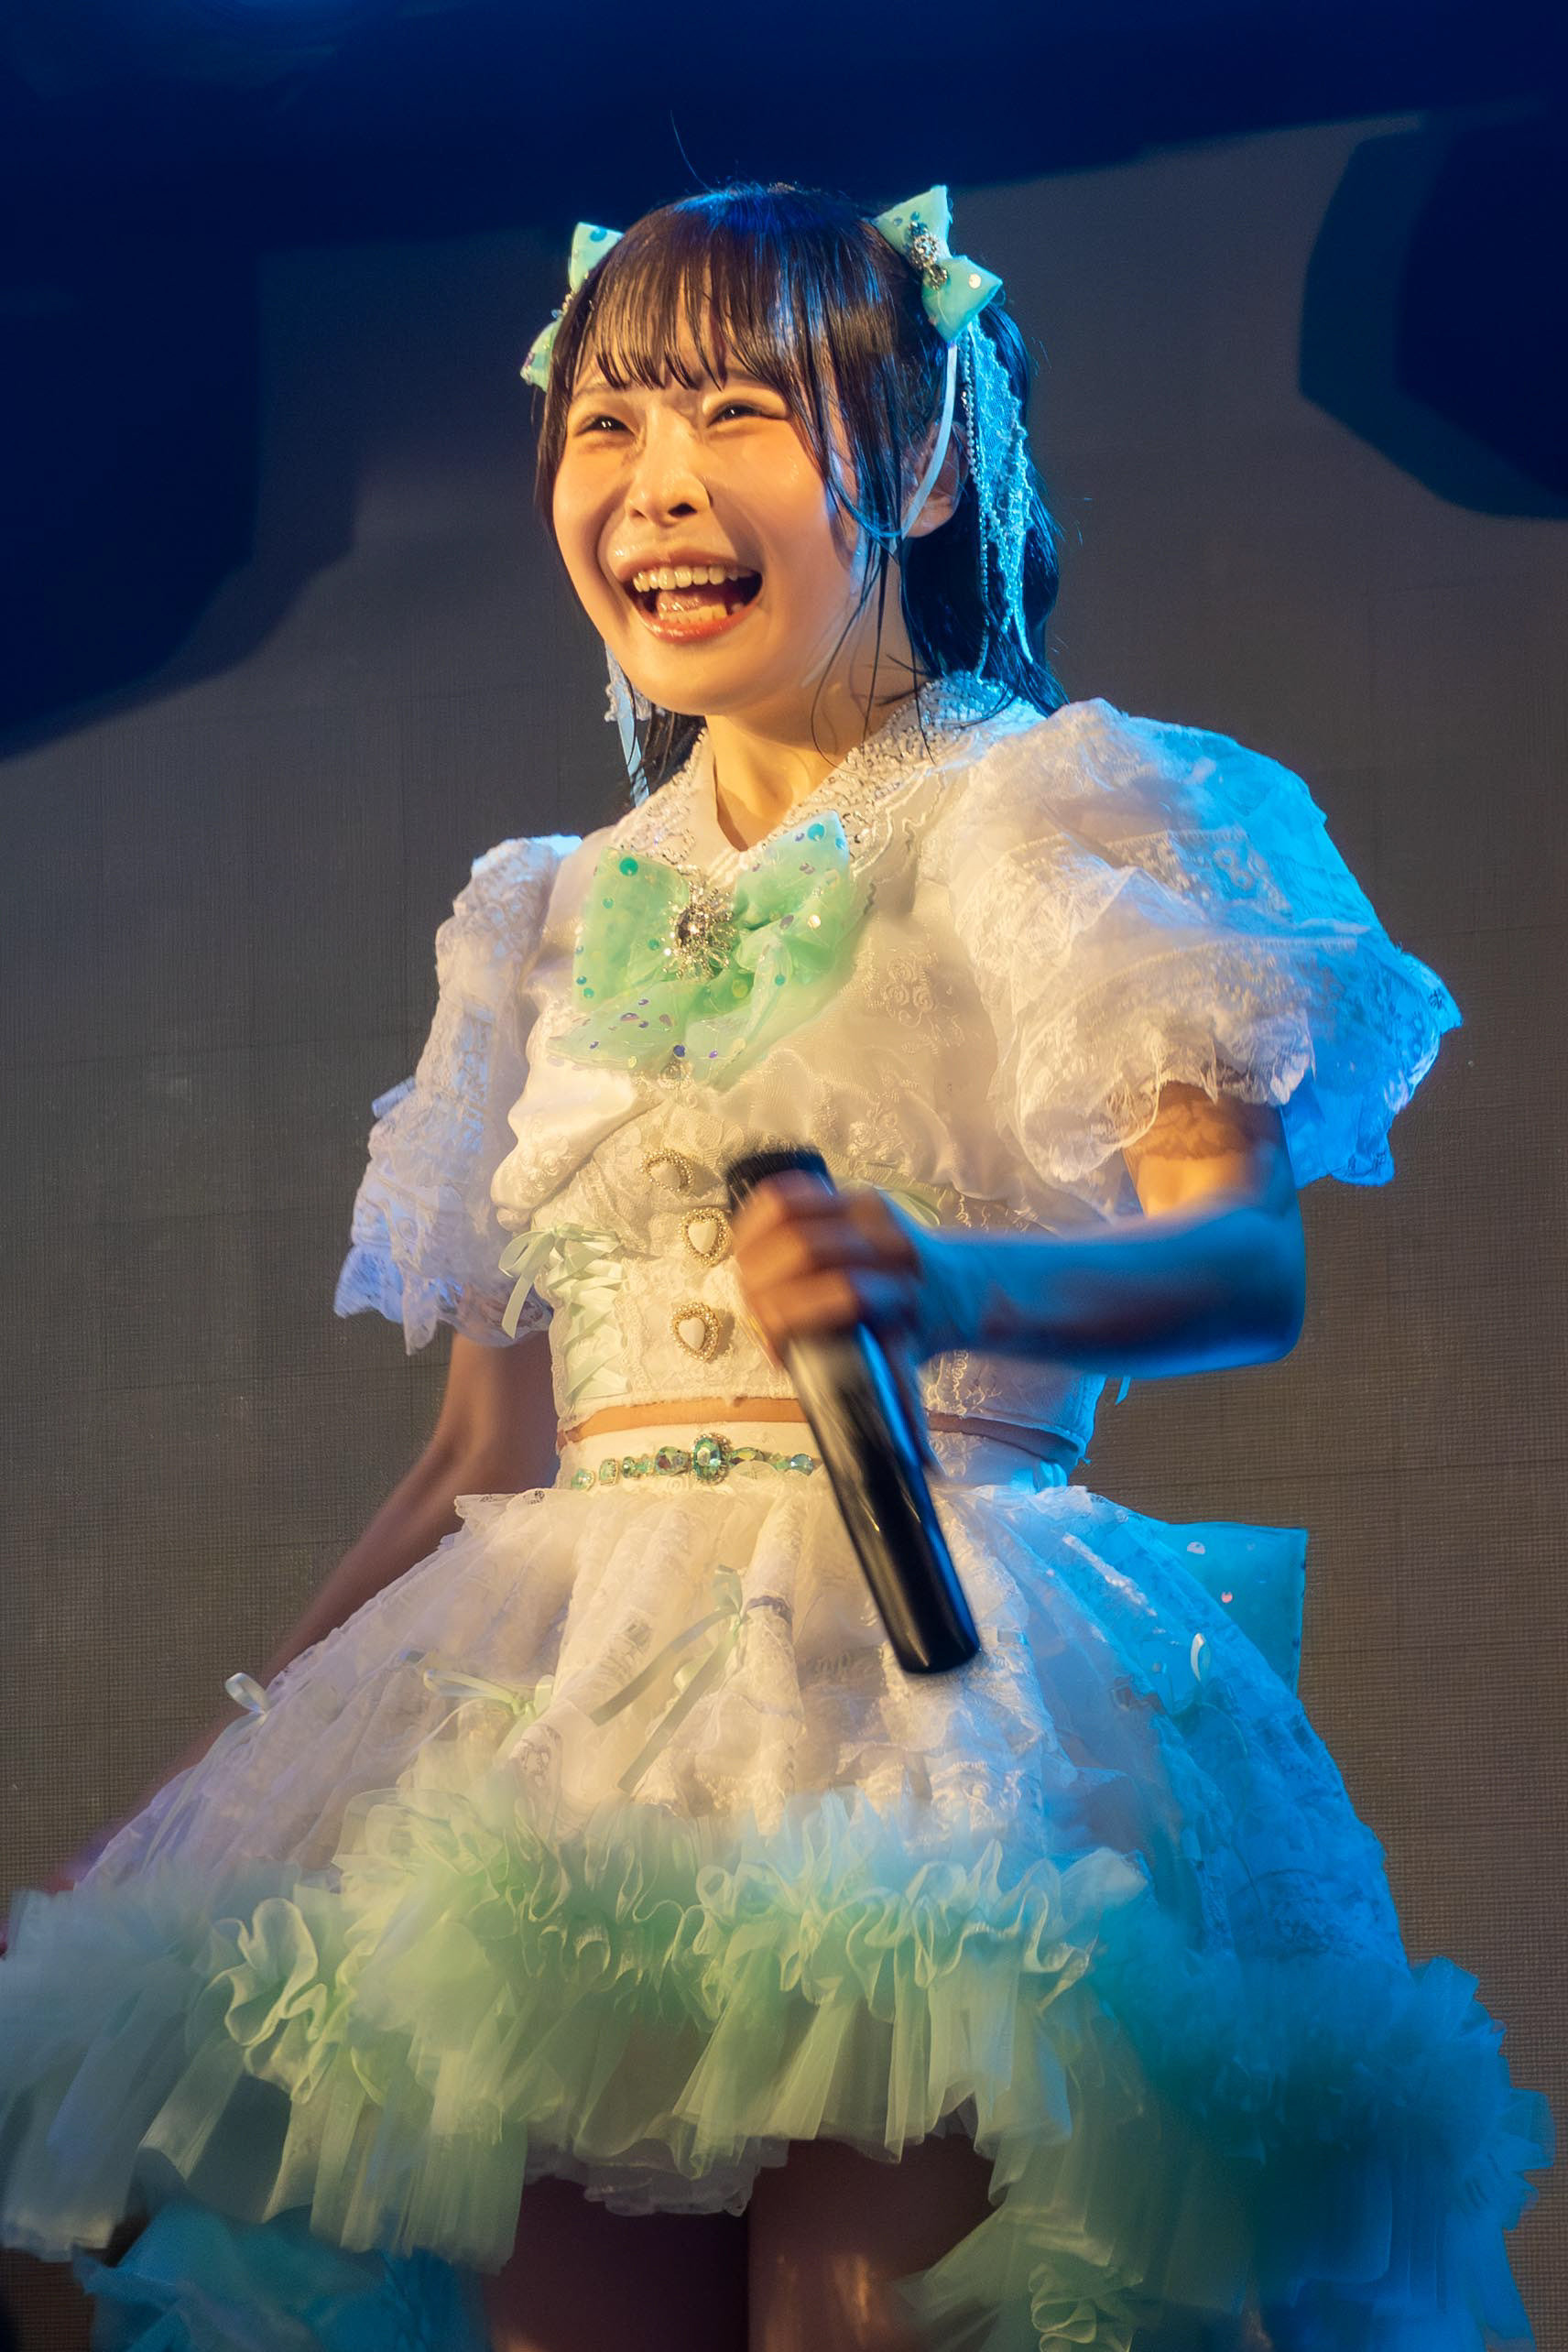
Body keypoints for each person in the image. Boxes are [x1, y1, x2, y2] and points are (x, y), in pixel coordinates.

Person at [0, 179, 1551, 2352]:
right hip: (569, 1734)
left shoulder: (1046, 814)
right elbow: (481, 1450)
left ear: (917, 470)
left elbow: (1241, 1271)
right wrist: (201, 1802)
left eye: (735, 413)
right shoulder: (538, 915)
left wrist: (951, 1286)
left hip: (935, 1710)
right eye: (607, 425)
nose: (655, 487)